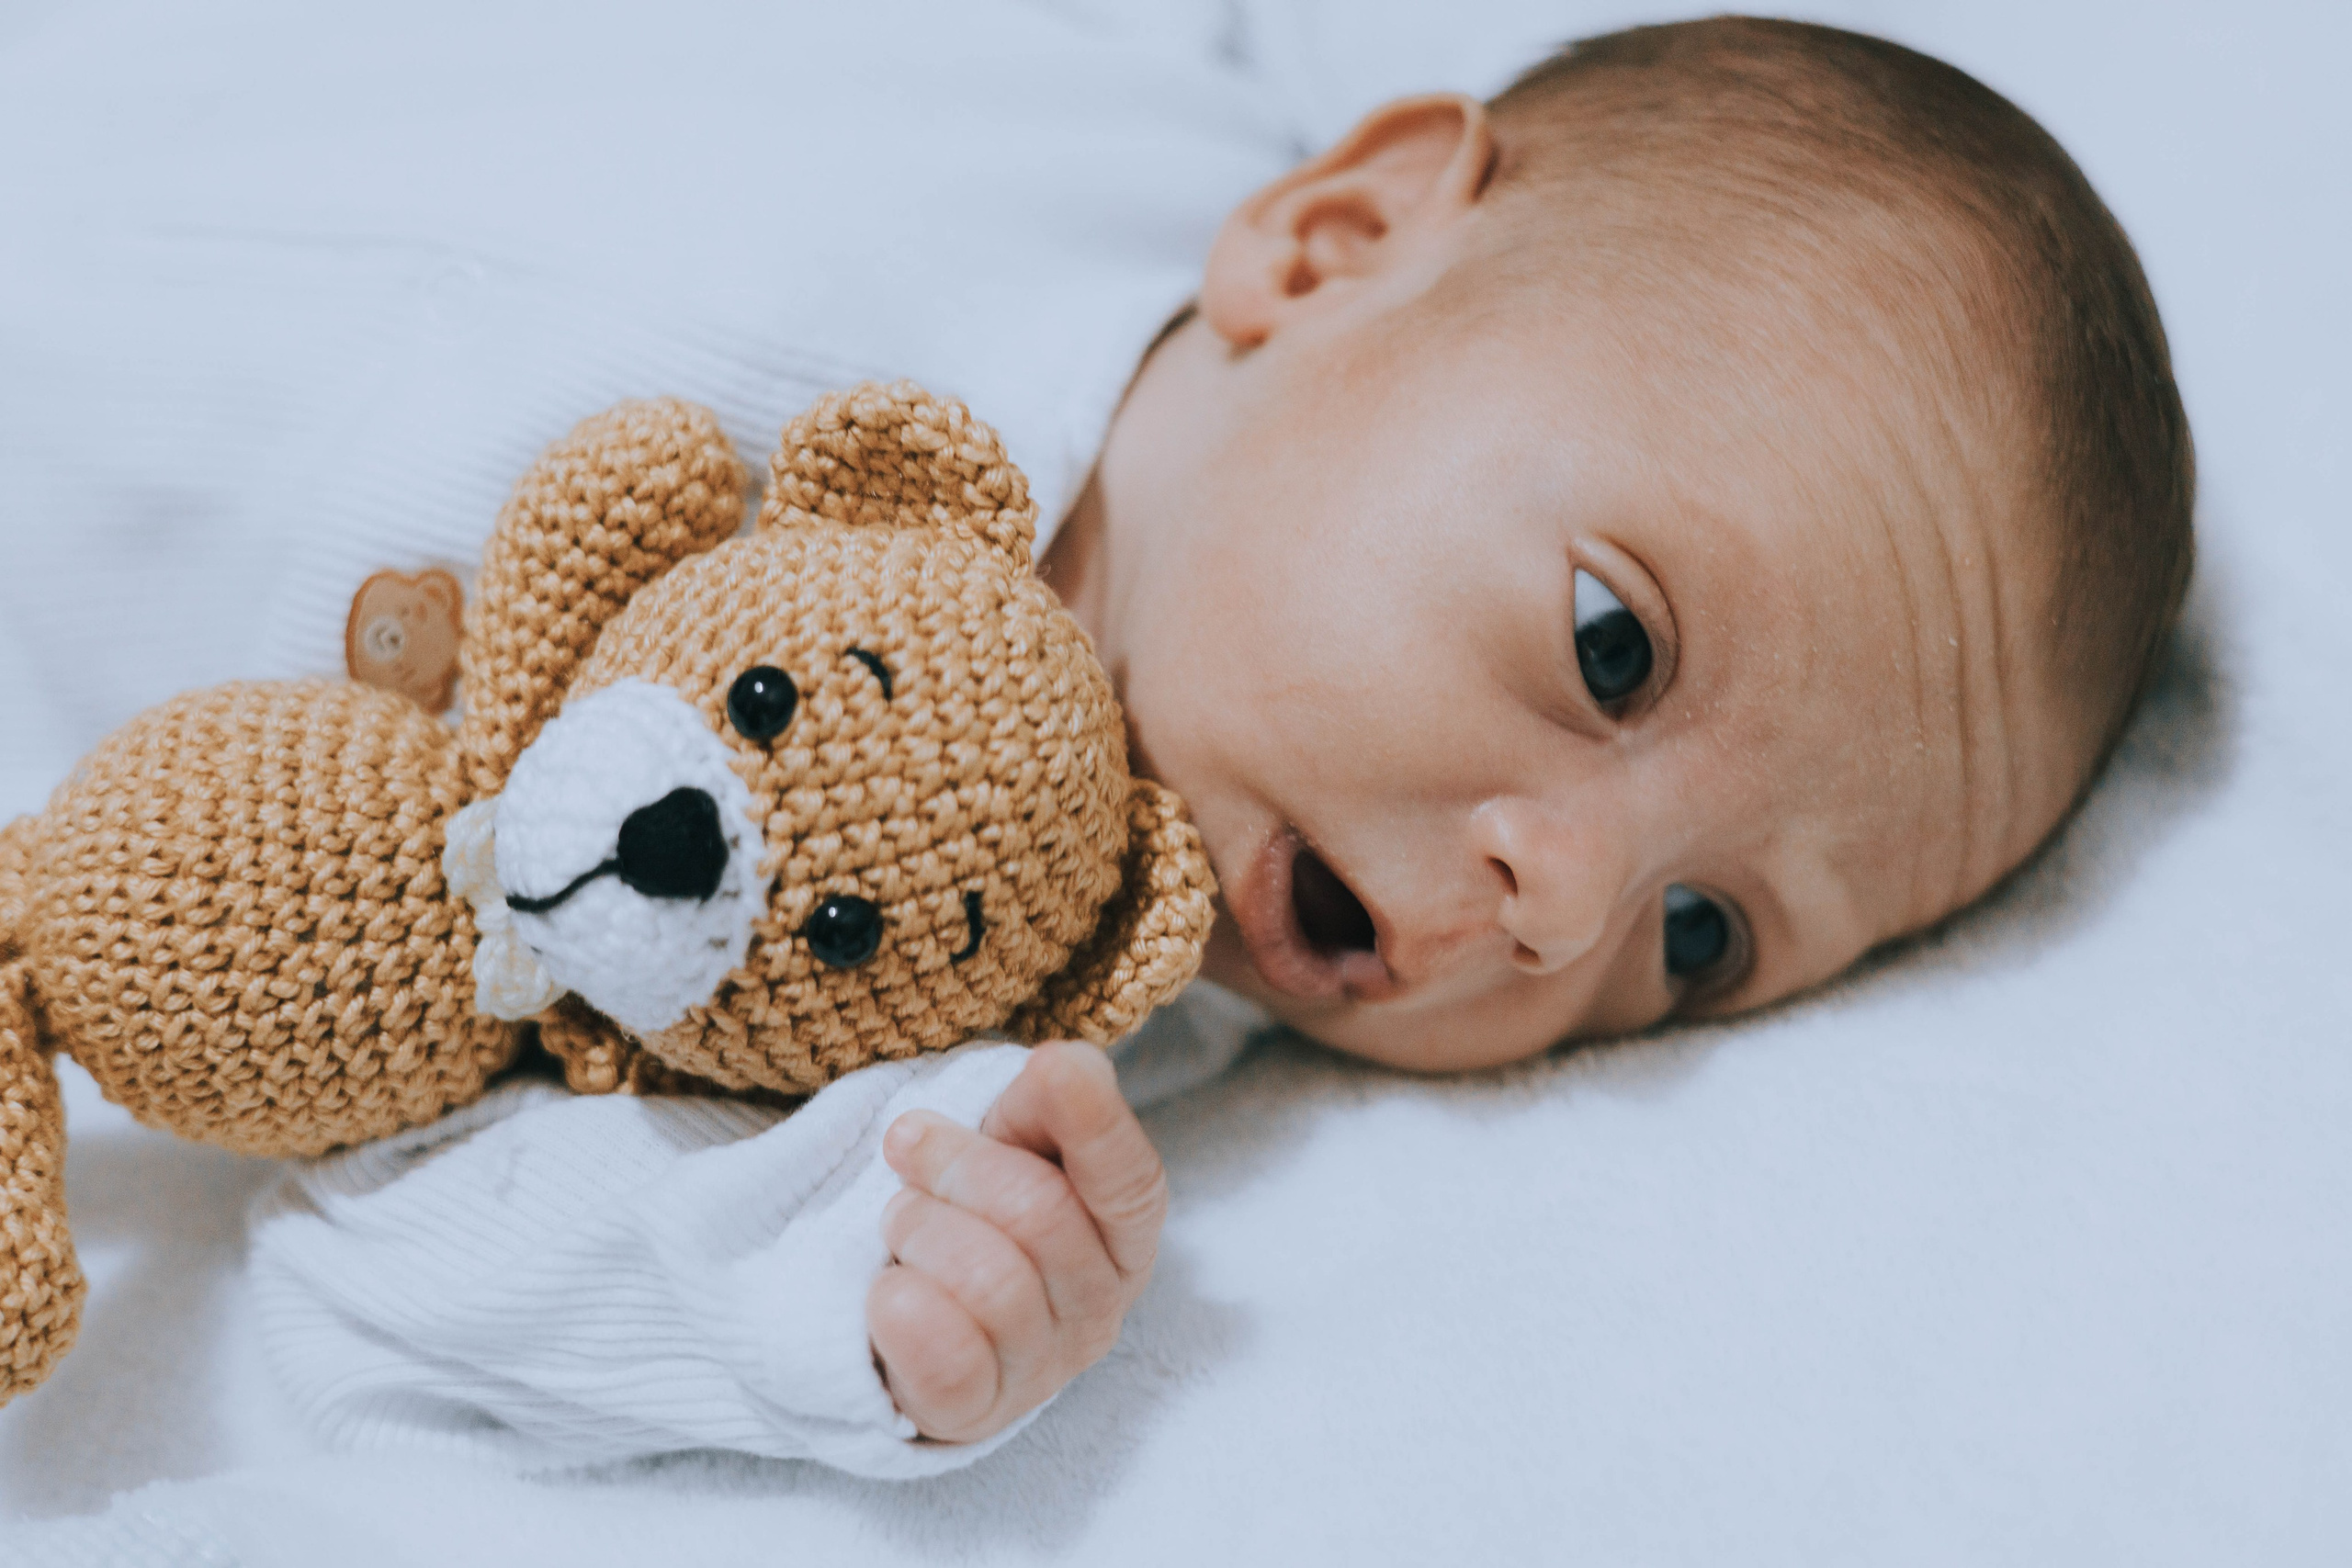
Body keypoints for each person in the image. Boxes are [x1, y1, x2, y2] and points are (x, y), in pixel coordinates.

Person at [250, 17, 2192, 1474]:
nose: (1567, 905)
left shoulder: (1011, 1037)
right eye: (1615, 642)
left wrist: (850, 1312)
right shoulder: (1078, 116)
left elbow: (410, 1218)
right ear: (1336, 237)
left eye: (1704, 939)